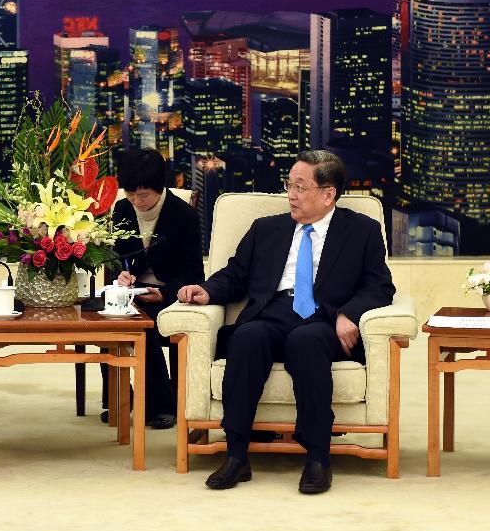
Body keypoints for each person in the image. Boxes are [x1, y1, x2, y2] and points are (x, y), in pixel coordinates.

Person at [177, 150, 395, 494]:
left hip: (323, 316)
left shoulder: (361, 231)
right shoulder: (267, 229)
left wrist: (348, 314)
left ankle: (318, 457)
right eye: (289, 185)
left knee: (305, 342)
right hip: (273, 310)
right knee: (247, 337)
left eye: (300, 186)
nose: (290, 194)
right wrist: (205, 291)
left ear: (328, 194)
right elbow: (235, 275)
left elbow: (380, 286)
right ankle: (236, 454)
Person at [105, 148, 204, 429]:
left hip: (170, 295)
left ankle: (162, 405)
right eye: (131, 194)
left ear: (160, 189)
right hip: (133, 292)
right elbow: (116, 257)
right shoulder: (122, 209)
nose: (137, 201)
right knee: (107, 320)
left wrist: (164, 292)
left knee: (142, 325)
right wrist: (121, 275)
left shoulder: (182, 215)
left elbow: (193, 272)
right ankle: (119, 398)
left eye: (144, 195)